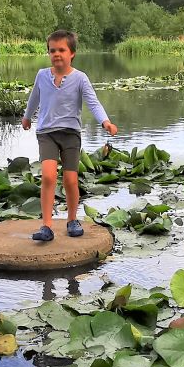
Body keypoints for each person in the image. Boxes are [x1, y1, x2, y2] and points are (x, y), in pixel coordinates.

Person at [21, 29, 117, 241]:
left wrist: (105, 121)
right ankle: (46, 225)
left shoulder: (80, 78)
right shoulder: (41, 75)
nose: (56, 54)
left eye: (61, 50)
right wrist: (27, 117)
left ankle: (72, 219)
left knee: (71, 180)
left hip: (70, 134)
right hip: (47, 133)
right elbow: (34, 98)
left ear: (71, 53)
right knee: (48, 176)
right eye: (52, 50)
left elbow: (93, 102)